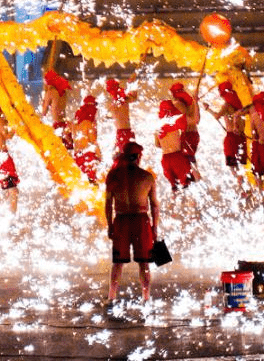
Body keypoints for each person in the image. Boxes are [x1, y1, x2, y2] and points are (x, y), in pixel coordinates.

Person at [104, 141, 160, 303]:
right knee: (144, 263)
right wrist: (155, 227)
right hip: (141, 221)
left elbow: (108, 204)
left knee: (118, 263)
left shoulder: (113, 175)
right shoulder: (147, 177)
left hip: (121, 220)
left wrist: (110, 225)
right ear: (138, 157)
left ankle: (111, 298)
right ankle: (146, 298)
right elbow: (154, 205)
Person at [213, 81, 249, 193]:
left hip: (231, 138)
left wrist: (208, 109)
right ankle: (247, 188)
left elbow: (217, 116)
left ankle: (243, 189)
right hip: (241, 138)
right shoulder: (239, 105)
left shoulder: (226, 105)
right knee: (240, 165)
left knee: (233, 166)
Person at [155, 99, 193, 192]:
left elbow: (157, 145)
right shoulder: (175, 123)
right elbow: (191, 121)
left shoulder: (157, 128)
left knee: (174, 187)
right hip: (177, 157)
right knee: (185, 184)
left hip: (165, 159)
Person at [169, 82, 202, 183]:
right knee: (188, 161)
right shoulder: (191, 102)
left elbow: (192, 119)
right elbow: (197, 119)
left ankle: (197, 181)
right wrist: (196, 101)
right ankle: (194, 180)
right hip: (194, 135)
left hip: (188, 136)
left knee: (190, 161)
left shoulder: (178, 103)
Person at [72, 94, 102, 183]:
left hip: (77, 156)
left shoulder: (75, 125)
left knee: (81, 185)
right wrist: (100, 156)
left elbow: (75, 141)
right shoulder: (89, 124)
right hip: (88, 156)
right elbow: (93, 142)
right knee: (92, 186)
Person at [41, 69, 73, 150]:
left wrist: (44, 102)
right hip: (65, 124)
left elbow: (44, 112)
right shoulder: (63, 92)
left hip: (58, 125)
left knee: (57, 152)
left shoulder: (50, 92)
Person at [105, 78, 135, 159]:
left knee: (121, 158)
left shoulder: (113, 105)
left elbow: (109, 116)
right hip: (126, 132)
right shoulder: (125, 100)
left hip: (122, 133)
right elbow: (134, 96)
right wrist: (131, 81)